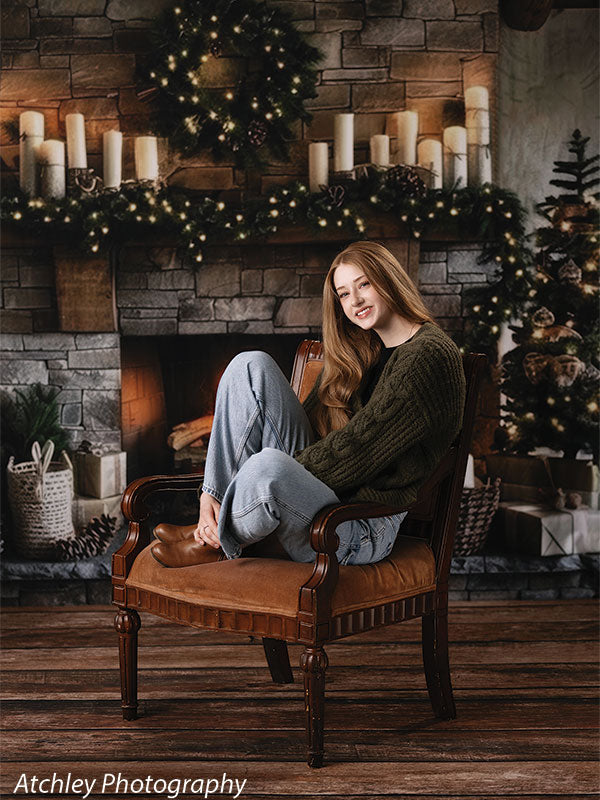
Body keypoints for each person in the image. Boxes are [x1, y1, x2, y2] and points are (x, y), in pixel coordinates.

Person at [151, 241, 466, 569]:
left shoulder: (427, 355)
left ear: (388, 280)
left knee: (268, 467)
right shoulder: (364, 347)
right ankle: (212, 514)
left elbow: (359, 451)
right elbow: (312, 421)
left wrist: (278, 472)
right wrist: (212, 491)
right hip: (323, 496)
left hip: (360, 526)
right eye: (343, 293)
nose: (354, 300)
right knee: (249, 365)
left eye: (364, 284)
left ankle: (217, 540)